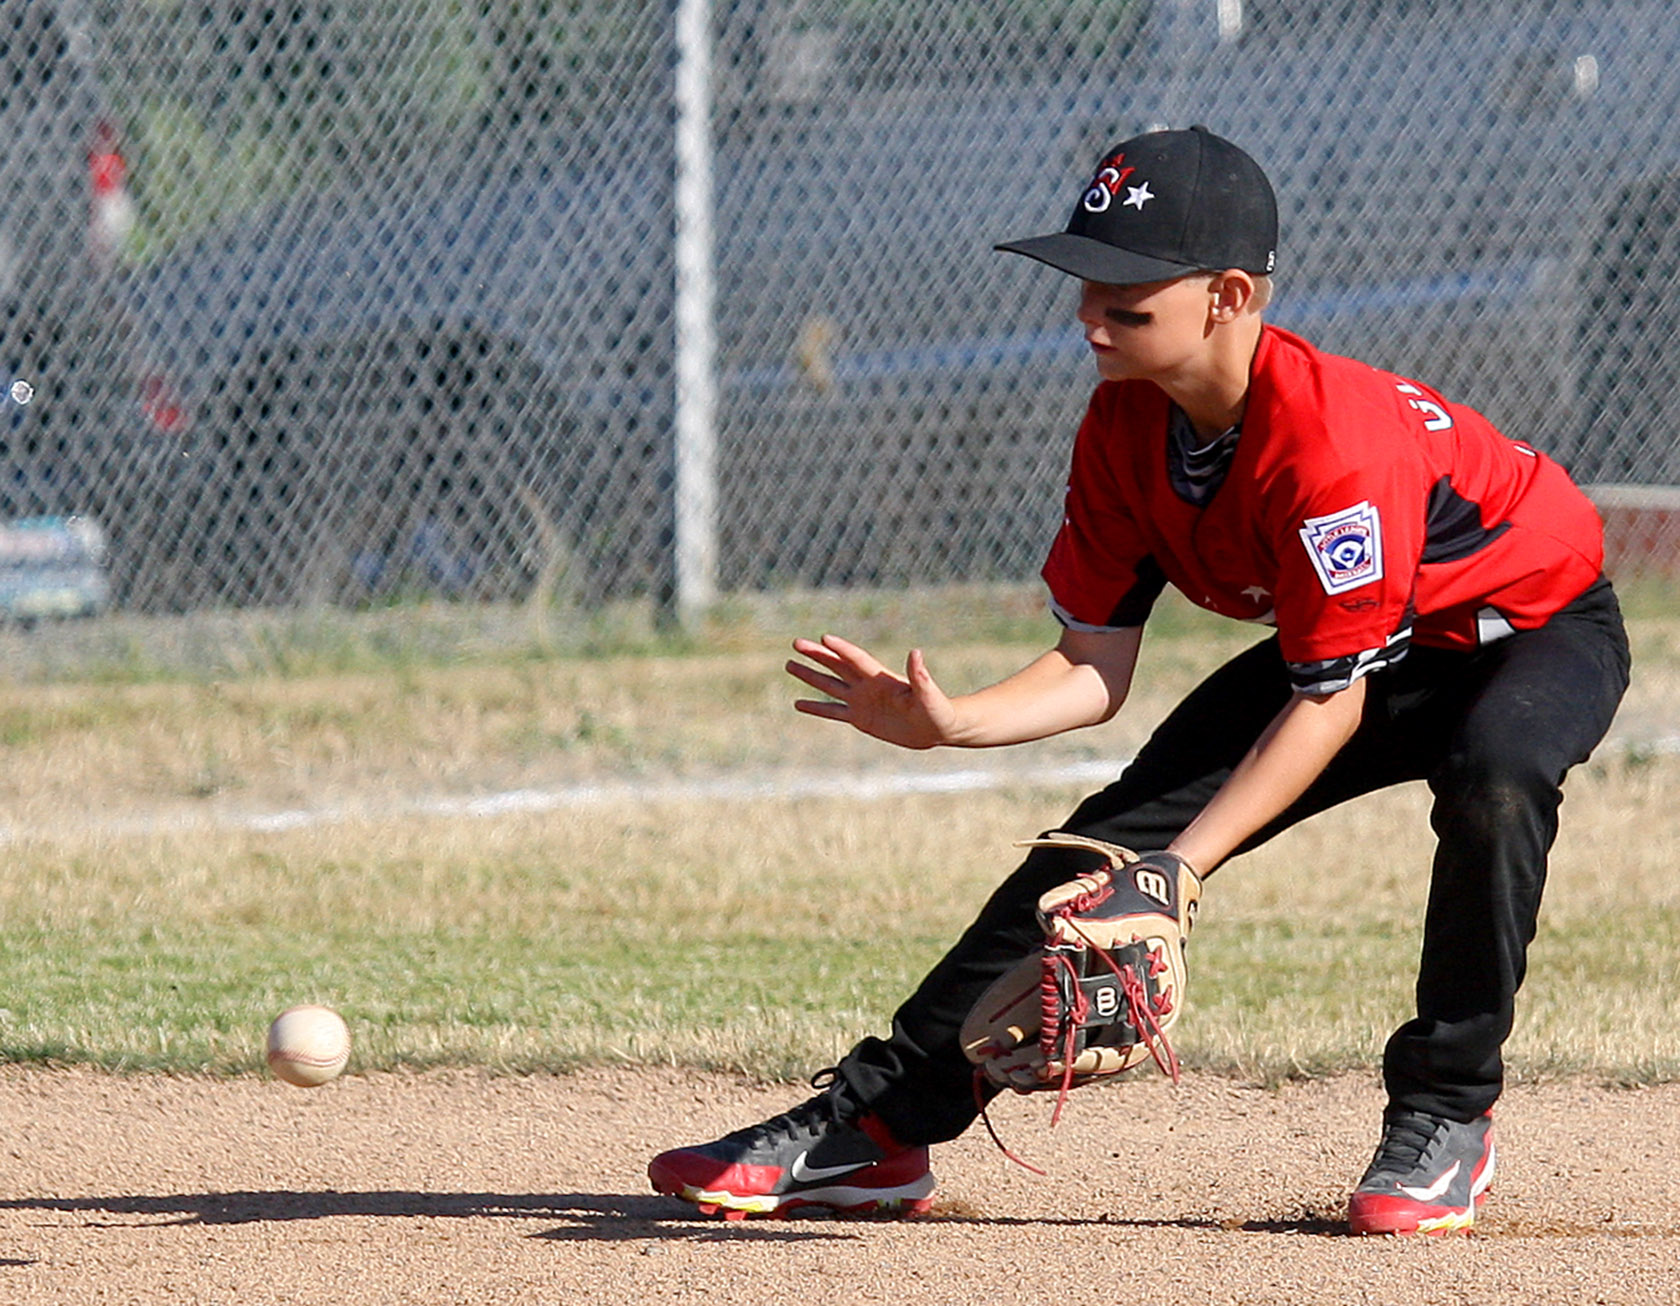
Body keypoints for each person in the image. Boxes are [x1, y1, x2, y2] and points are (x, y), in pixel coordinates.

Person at [647, 126, 1631, 1235]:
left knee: (1496, 775)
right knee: (1102, 844)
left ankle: (1447, 1117)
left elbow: (1330, 702)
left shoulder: (1331, 448)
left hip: (1532, 630)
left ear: (1228, 295)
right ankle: (874, 1131)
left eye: (1126, 295)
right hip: (1366, 650)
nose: (1090, 317)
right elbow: (1091, 664)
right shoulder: (1124, 425)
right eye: (1086, 286)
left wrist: (1176, 876)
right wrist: (952, 722)